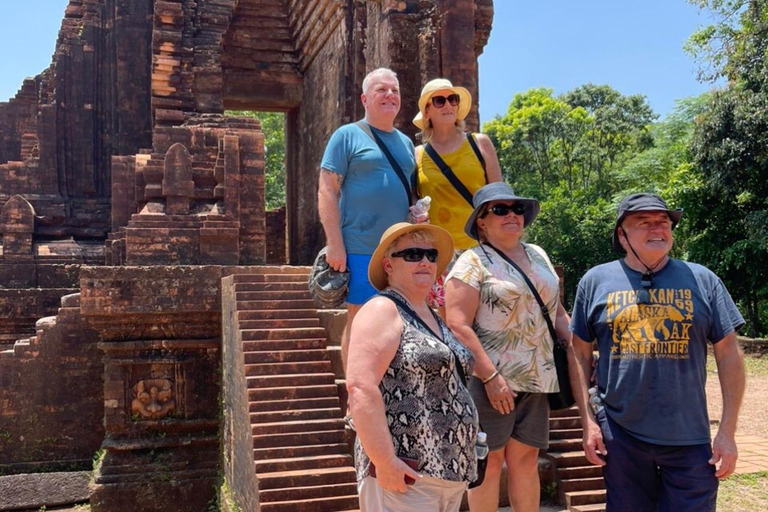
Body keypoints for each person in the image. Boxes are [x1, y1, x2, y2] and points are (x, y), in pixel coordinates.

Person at [569, 193, 746, 512]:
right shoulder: (595, 282)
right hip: (620, 436)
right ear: (622, 235)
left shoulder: (703, 280)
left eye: (663, 222)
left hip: (689, 436)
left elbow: (729, 354)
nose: (657, 229)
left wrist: (727, 433)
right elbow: (578, 355)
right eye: (644, 222)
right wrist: (589, 423)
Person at [444, 182, 572, 512]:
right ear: (482, 222)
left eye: (517, 209)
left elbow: (556, 311)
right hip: (491, 380)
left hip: (538, 376)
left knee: (527, 459)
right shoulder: (472, 262)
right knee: (490, 461)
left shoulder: (538, 254)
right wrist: (490, 377)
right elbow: (457, 323)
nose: (511, 215)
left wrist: (579, 347)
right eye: (499, 210)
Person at [346, 222, 479, 512]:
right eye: (412, 254)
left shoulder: (431, 317)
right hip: (406, 475)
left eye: (431, 255)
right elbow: (360, 387)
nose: (425, 261)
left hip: (447, 474)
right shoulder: (382, 309)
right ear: (388, 265)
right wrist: (384, 462)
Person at [318, 68, 417, 371]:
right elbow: (327, 189)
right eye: (381, 90)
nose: (389, 95)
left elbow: (410, 193)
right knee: (360, 320)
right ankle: (355, 395)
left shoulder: (407, 144)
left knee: (399, 321)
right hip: (360, 246)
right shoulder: (347, 136)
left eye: (394, 90)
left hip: (399, 249)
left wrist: (417, 214)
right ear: (365, 98)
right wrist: (335, 243)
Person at [412, 78, 503, 312]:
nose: (448, 105)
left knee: (487, 320)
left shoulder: (479, 144)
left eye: (453, 99)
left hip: (481, 247)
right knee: (448, 324)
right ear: (428, 110)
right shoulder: (417, 155)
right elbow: (413, 202)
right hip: (440, 253)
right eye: (440, 100)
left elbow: (499, 197)